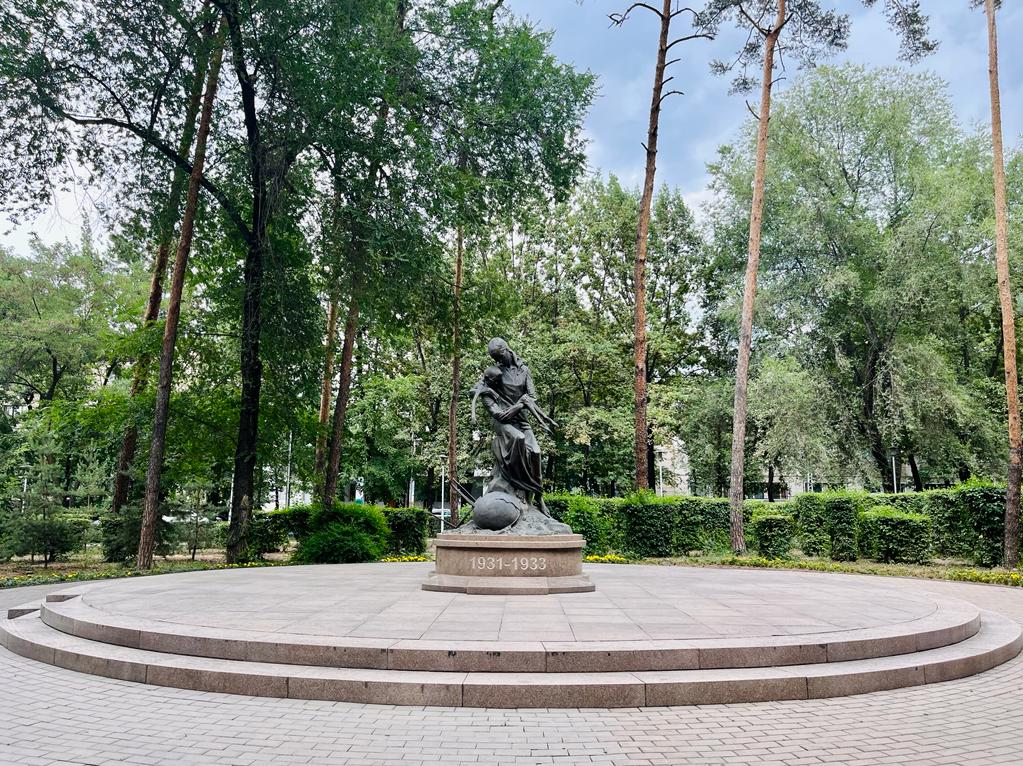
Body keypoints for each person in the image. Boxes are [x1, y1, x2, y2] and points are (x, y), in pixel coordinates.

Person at [470, 338, 554, 515]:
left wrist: (524, 404)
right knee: (519, 439)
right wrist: (484, 391)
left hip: (521, 419)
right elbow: (476, 389)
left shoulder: (524, 370)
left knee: (536, 453)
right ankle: (518, 488)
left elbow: (532, 396)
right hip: (503, 421)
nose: (497, 361)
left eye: (499, 356)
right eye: (494, 358)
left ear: (506, 350)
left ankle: (538, 497)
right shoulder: (495, 371)